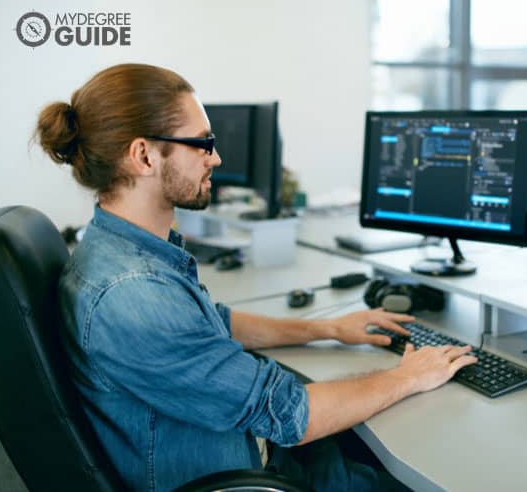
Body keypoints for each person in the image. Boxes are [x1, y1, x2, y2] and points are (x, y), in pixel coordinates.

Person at [35, 63, 477, 492]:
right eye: (202, 143)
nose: (217, 156)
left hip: (244, 452)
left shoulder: (123, 250)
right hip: (237, 477)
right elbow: (291, 414)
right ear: (144, 155)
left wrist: (327, 329)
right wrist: (410, 376)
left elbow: (212, 323)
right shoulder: (133, 292)